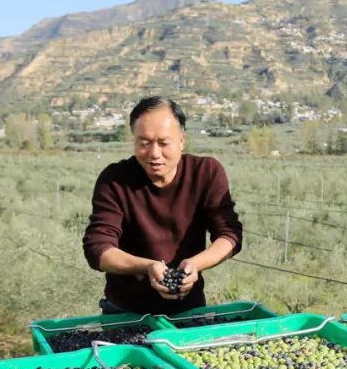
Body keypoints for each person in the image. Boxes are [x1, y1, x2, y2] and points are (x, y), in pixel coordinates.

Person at [82, 96, 243, 315]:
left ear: (182, 140)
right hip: (124, 312)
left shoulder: (206, 173)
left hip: (189, 310)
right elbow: (98, 248)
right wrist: (147, 267)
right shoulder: (115, 180)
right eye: (144, 143)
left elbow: (230, 235)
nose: (154, 153)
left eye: (164, 143)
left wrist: (195, 265)